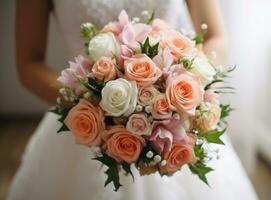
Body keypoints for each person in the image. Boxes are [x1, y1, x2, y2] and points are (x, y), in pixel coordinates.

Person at [8, 0, 257, 199]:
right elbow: (29, 65)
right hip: (86, 120)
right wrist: (93, 102)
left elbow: (216, 37)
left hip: (175, 121)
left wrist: (187, 83)